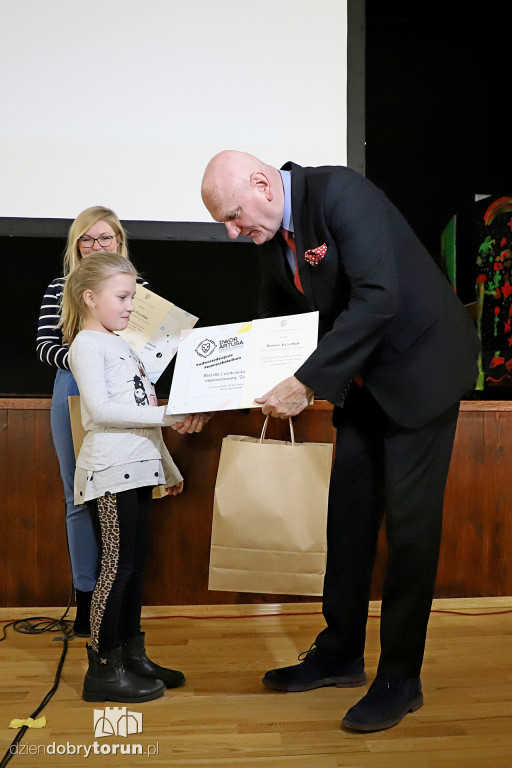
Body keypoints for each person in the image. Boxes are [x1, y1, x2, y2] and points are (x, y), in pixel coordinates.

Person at [201, 150, 480, 732]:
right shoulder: (272, 234)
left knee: (409, 530)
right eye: (223, 223)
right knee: (348, 520)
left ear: (261, 183)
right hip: (363, 383)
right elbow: (274, 324)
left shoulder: (340, 195)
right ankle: (340, 654)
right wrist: (217, 393)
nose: (233, 232)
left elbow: (379, 297)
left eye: (233, 216)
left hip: (420, 373)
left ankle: (401, 678)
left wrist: (305, 382)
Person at [61, 251, 210, 702]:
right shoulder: (86, 344)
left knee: (135, 567)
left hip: (139, 467)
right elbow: (100, 411)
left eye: (133, 297)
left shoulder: (122, 344)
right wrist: (169, 413)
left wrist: (168, 464)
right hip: (110, 471)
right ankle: (103, 669)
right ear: (90, 298)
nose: (131, 306)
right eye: (123, 297)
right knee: (116, 568)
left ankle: (131, 655)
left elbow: (141, 416)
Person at [36, 206, 141, 636]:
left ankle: (121, 614)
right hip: (73, 388)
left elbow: (154, 347)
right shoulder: (61, 288)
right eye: (88, 239)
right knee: (78, 497)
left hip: (128, 390)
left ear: (119, 242)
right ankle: (86, 603)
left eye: (106, 238)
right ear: (76, 246)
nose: (97, 246)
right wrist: (90, 357)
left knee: (127, 498)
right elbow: (45, 346)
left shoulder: (139, 289)